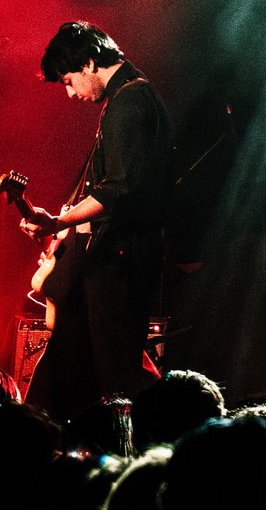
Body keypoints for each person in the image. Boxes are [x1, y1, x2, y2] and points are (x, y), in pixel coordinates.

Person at [16, 21, 174, 422]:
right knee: (66, 370)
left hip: (118, 261)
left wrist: (58, 222)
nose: (70, 93)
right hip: (108, 258)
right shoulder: (129, 97)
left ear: (89, 63)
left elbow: (117, 190)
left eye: (69, 81)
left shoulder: (129, 102)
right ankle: (43, 440)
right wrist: (63, 224)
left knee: (118, 376)